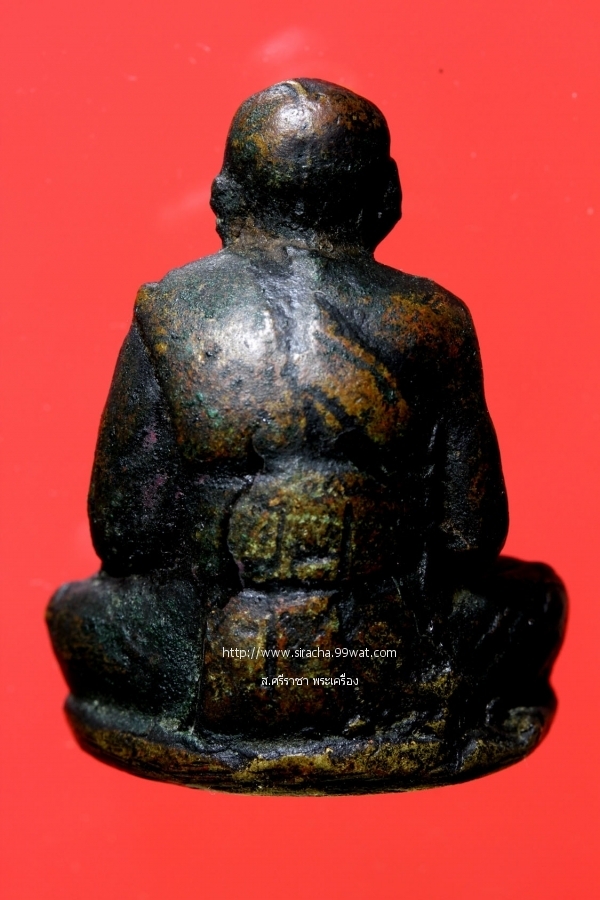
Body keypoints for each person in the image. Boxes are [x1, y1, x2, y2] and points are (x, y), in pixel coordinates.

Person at [47, 80, 566, 792]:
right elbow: (472, 535)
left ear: (224, 195)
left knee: (78, 611)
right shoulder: (434, 318)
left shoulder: (171, 311)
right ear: (387, 197)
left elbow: (126, 534)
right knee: (535, 602)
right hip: (391, 661)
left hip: (218, 656)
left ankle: (214, 723)